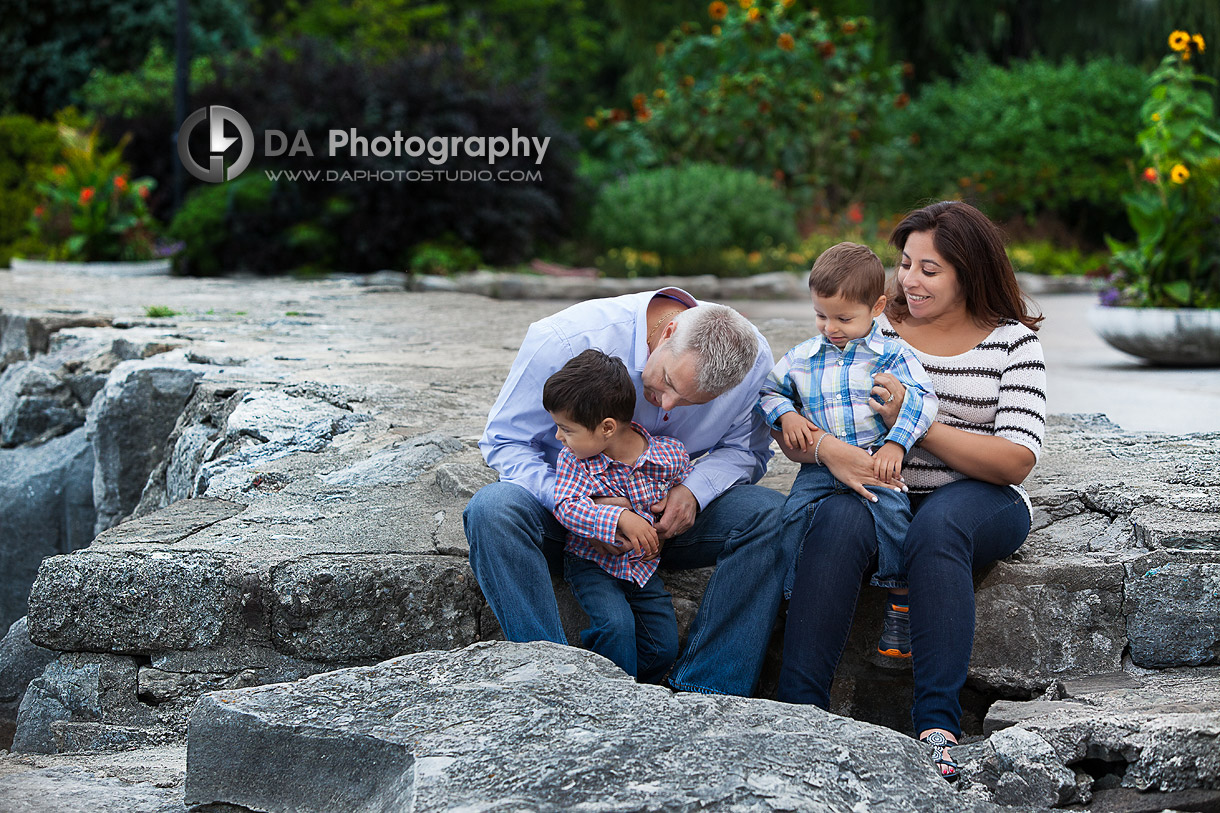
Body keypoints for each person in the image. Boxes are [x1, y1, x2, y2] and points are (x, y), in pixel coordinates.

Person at [774, 201, 1046, 782]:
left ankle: (937, 728)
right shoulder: (871, 325)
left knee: (938, 527)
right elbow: (806, 413)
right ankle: (799, 716)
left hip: (980, 497)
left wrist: (914, 422)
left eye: (930, 269)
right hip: (880, 489)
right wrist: (819, 445)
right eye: (905, 263)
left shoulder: (1012, 343)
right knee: (837, 523)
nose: (909, 280)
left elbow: (1016, 459)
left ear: (968, 272)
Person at [464, 286, 789, 697]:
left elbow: (745, 452)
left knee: (774, 514)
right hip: (568, 518)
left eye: (691, 402)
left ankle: (705, 692)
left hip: (665, 525)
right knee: (492, 510)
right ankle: (551, 683)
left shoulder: (752, 360)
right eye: (668, 381)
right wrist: (587, 506)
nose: (667, 403)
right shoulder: (566, 339)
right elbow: (505, 442)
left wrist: (692, 492)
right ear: (668, 331)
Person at [757, 242, 938, 661]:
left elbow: (923, 401)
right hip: (822, 466)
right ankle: (792, 590)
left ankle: (901, 601)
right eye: (821, 315)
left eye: (843, 318)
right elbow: (769, 390)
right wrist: (786, 416)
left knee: (894, 516)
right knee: (792, 517)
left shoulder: (892, 354)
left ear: (876, 307)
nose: (830, 327)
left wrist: (896, 443)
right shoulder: (803, 357)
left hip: (876, 457)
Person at [543, 349, 692, 684]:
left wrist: (676, 493)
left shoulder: (667, 456)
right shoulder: (575, 460)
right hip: (592, 564)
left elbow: (685, 480)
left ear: (607, 427)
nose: (558, 438)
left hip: (643, 569)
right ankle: (612, 698)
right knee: (615, 627)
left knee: (662, 647)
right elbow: (566, 505)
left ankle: (637, 690)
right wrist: (617, 519)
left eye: (565, 428)